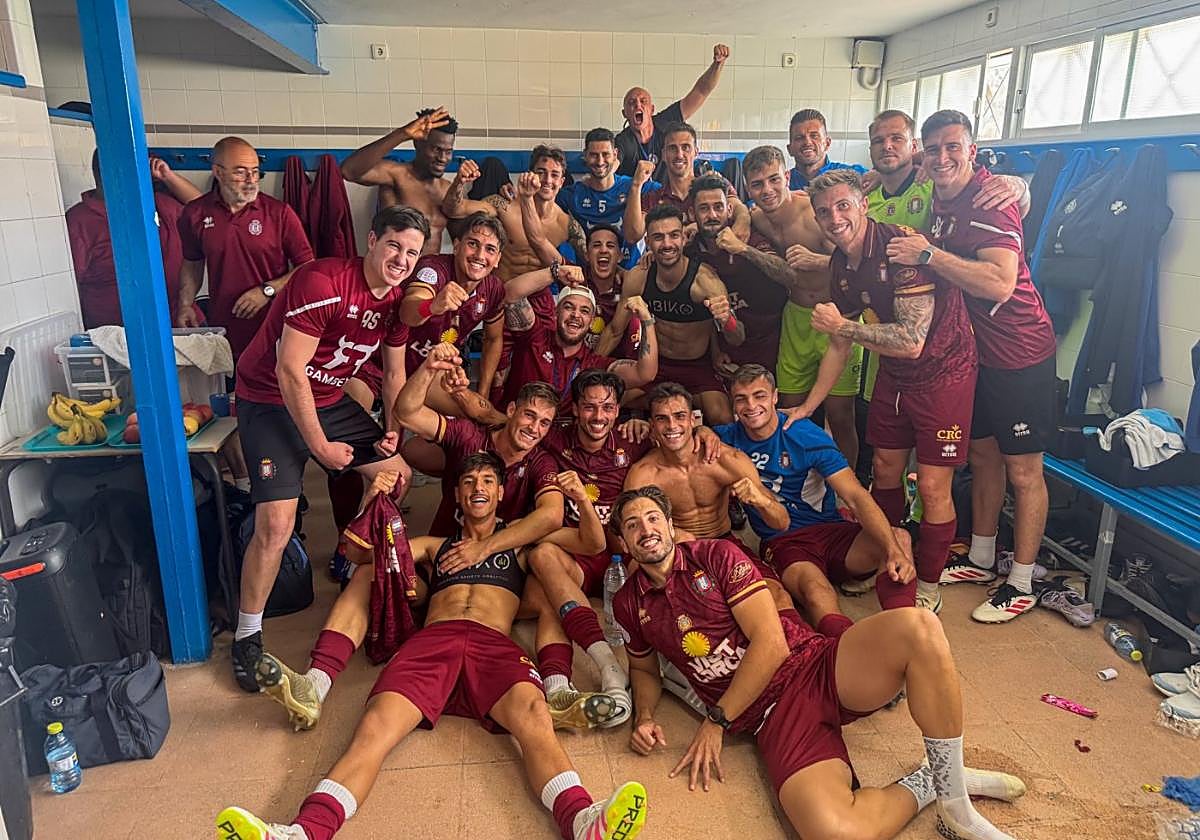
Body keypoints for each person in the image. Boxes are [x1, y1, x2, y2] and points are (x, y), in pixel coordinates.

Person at [216, 454, 649, 840]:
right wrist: (372, 500)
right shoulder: (435, 546)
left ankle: (582, 822)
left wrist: (582, 500)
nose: (478, 488)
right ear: (457, 496)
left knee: (536, 720)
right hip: (432, 643)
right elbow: (363, 556)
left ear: (500, 492)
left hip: (493, 646)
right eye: (468, 482)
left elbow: (591, 544)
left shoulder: (521, 547)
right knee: (373, 728)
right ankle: (303, 833)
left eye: (487, 481)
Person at [610, 485, 1027, 840]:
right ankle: (928, 782)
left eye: (651, 518)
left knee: (918, 628)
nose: (645, 529)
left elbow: (772, 645)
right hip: (770, 718)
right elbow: (644, 668)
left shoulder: (715, 555)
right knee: (834, 832)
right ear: (625, 543)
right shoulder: (629, 602)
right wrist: (643, 716)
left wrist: (715, 722)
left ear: (669, 525)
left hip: (812, 665)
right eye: (632, 525)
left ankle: (956, 803)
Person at [228, 205, 428, 692]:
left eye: (412, 253)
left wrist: (393, 428)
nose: (401, 259)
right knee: (274, 524)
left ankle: (348, 552)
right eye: (394, 246)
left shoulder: (397, 304)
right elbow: (289, 371)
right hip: (270, 401)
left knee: (397, 474)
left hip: (329, 398)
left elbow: (394, 373)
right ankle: (247, 635)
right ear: (373, 240)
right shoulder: (323, 282)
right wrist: (319, 446)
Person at [887, 110, 1056, 624]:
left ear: (972, 151)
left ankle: (1022, 581)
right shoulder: (940, 191)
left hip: (1019, 353)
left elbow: (1001, 283)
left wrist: (929, 254)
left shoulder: (990, 203)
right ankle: (982, 556)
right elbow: (899, 167)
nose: (941, 158)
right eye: (932, 149)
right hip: (974, 356)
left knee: (1024, 470)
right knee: (982, 456)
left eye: (952, 148)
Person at [796, 169, 979, 613]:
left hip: (944, 372)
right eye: (824, 211)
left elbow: (912, 341)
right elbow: (840, 341)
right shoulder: (841, 263)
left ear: (862, 204)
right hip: (895, 375)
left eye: (843, 206)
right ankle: (887, 557)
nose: (834, 218)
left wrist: (843, 326)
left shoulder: (900, 247)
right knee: (882, 469)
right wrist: (808, 406)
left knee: (933, 487)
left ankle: (929, 582)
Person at [528, 370, 723, 730]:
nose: (598, 417)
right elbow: (510, 424)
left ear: (618, 411)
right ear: (575, 408)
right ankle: (591, 675)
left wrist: (705, 430)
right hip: (577, 552)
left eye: (606, 408)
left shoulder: (635, 439)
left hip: (624, 553)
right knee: (543, 562)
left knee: (651, 577)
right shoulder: (552, 438)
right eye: (588, 407)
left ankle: (678, 670)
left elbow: (679, 438)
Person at [718, 364, 916, 620]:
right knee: (817, 591)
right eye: (741, 399)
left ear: (775, 397)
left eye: (760, 396)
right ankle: (838, 650)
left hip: (831, 532)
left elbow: (855, 496)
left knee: (899, 538)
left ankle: (906, 625)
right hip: (785, 542)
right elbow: (686, 437)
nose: (751, 405)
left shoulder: (806, 436)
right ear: (733, 405)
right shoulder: (724, 439)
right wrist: (700, 431)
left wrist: (892, 550)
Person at [741, 145, 859, 463]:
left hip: (837, 314)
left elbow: (859, 259)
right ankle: (802, 482)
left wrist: (819, 261)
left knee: (840, 414)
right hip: (795, 317)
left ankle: (848, 490)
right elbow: (734, 213)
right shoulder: (756, 217)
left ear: (787, 176)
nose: (767, 190)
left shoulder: (816, 213)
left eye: (773, 180)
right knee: (791, 411)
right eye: (757, 184)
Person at [598, 205, 740, 423]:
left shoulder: (705, 282)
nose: (666, 244)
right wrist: (588, 371)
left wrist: (727, 320)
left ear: (684, 238)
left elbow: (737, 337)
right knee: (604, 402)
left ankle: (681, 406)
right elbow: (615, 330)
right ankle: (678, 407)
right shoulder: (639, 277)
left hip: (696, 368)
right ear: (648, 241)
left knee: (723, 418)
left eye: (674, 236)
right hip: (655, 366)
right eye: (658, 237)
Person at [176, 136, 314, 357]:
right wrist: (185, 304)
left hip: (274, 327)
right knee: (231, 387)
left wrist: (267, 291)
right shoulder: (195, 214)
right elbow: (192, 263)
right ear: (218, 172)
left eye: (255, 171)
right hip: (224, 327)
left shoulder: (279, 213)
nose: (251, 179)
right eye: (240, 172)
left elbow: (307, 266)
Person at [66, 151, 202, 329]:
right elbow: (65, 291)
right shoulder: (79, 222)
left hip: (181, 323)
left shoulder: (158, 204)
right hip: (119, 341)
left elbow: (202, 208)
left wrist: (168, 177)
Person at [398, 211, 507, 412]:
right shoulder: (433, 269)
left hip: (432, 368)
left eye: (490, 249)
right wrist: (431, 306)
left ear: (498, 259)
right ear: (456, 246)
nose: (480, 256)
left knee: (479, 413)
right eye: (472, 243)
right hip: (390, 363)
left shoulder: (493, 288)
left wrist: (483, 392)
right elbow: (407, 312)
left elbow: (493, 339)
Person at [499, 283, 658, 413]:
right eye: (569, 307)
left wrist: (646, 320)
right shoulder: (535, 337)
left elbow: (645, 374)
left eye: (584, 311)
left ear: (591, 321)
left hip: (563, 443)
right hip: (517, 429)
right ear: (556, 312)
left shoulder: (594, 366)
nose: (576, 315)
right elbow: (510, 294)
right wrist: (554, 272)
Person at [687, 173, 789, 375]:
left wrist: (743, 249)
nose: (712, 215)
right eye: (704, 208)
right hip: (730, 346)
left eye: (718, 207)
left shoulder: (749, 238)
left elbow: (788, 275)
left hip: (773, 342)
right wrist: (715, 349)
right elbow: (700, 312)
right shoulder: (691, 252)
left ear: (729, 209)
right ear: (692, 213)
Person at [339, 107, 455, 254]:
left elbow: (460, 235)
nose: (443, 158)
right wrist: (403, 134)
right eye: (436, 149)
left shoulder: (447, 189)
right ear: (417, 143)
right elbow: (348, 171)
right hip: (394, 270)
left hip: (429, 273)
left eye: (448, 151)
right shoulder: (396, 175)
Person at [622, 122, 749, 244]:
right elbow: (632, 236)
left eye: (686, 147)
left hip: (713, 264)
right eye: (672, 148)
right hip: (670, 264)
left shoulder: (714, 186)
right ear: (664, 155)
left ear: (696, 152)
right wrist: (636, 185)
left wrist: (743, 222)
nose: (679, 154)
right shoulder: (654, 199)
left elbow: (739, 208)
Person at [615, 44, 729, 176]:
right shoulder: (622, 141)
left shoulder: (666, 121)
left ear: (651, 110)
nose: (638, 105)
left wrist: (717, 65)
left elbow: (701, 91)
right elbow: (612, 164)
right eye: (631, 103)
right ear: (625, 114)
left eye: (643, 101)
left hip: (671, 192)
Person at [557, 128, 661, 269]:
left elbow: (671, 194)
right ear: (585, 156)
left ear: (615, 155)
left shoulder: (637, 185)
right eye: (594, 155)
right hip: (588, 278)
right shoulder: (571, 195)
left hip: (631, 273)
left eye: (605, 154)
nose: (600, 162)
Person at [786, 108, 868, 191]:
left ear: (827, 143)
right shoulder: (782, 183)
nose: (807, 142)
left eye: (814, 136)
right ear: (789, 149)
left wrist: (878, 175)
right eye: (799, 138)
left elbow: (879, 176)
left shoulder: (851, 175)